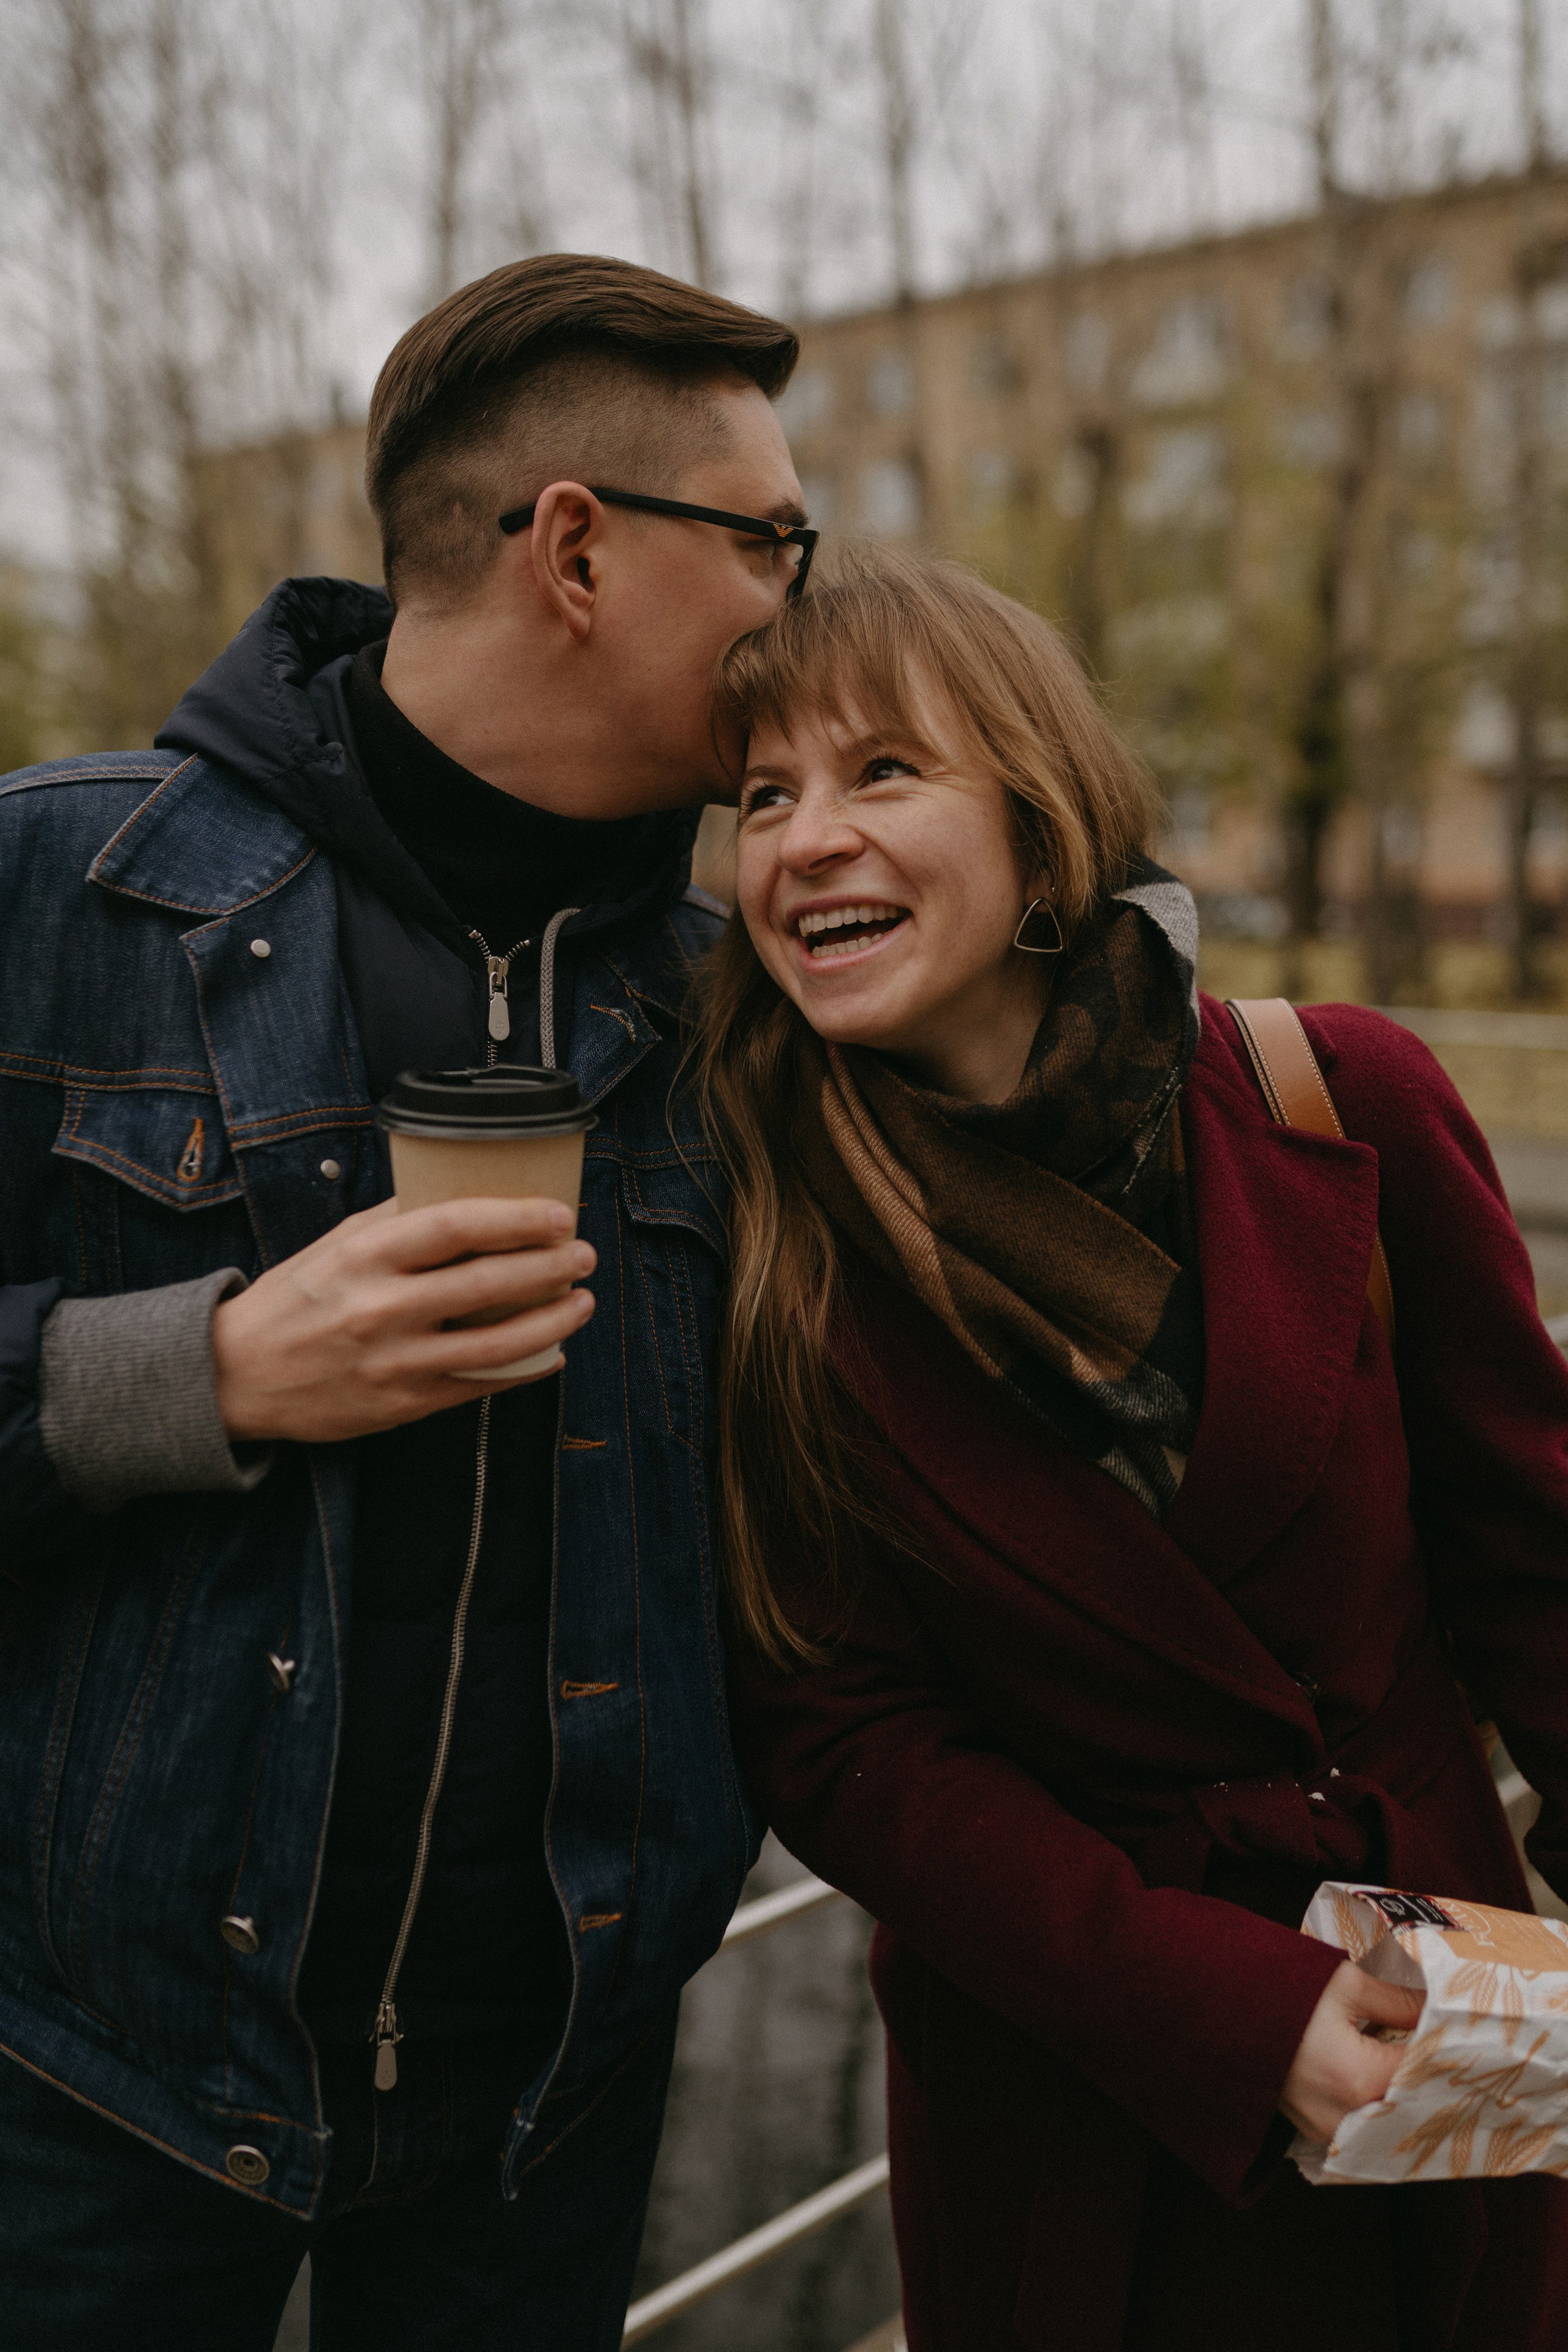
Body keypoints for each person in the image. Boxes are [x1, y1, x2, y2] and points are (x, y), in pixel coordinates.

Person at [0, 252, 814, 2348]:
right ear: (575, 548)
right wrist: (199, 1372)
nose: (798, 608)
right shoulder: (52, 888)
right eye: (774, 544)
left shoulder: (748, 1007)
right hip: (83, 2089)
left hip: (548, 2111)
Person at [693, 548, 1568, 2352]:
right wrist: (1231, 2017)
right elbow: (840, 1738)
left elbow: (1536, 1571)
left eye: (881, 772)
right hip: (1094, 2122)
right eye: (762, 796)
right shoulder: (761, 1238)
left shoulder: (1345, 1097)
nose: (803, 840)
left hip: (1461, 2057)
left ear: (1040, 811)